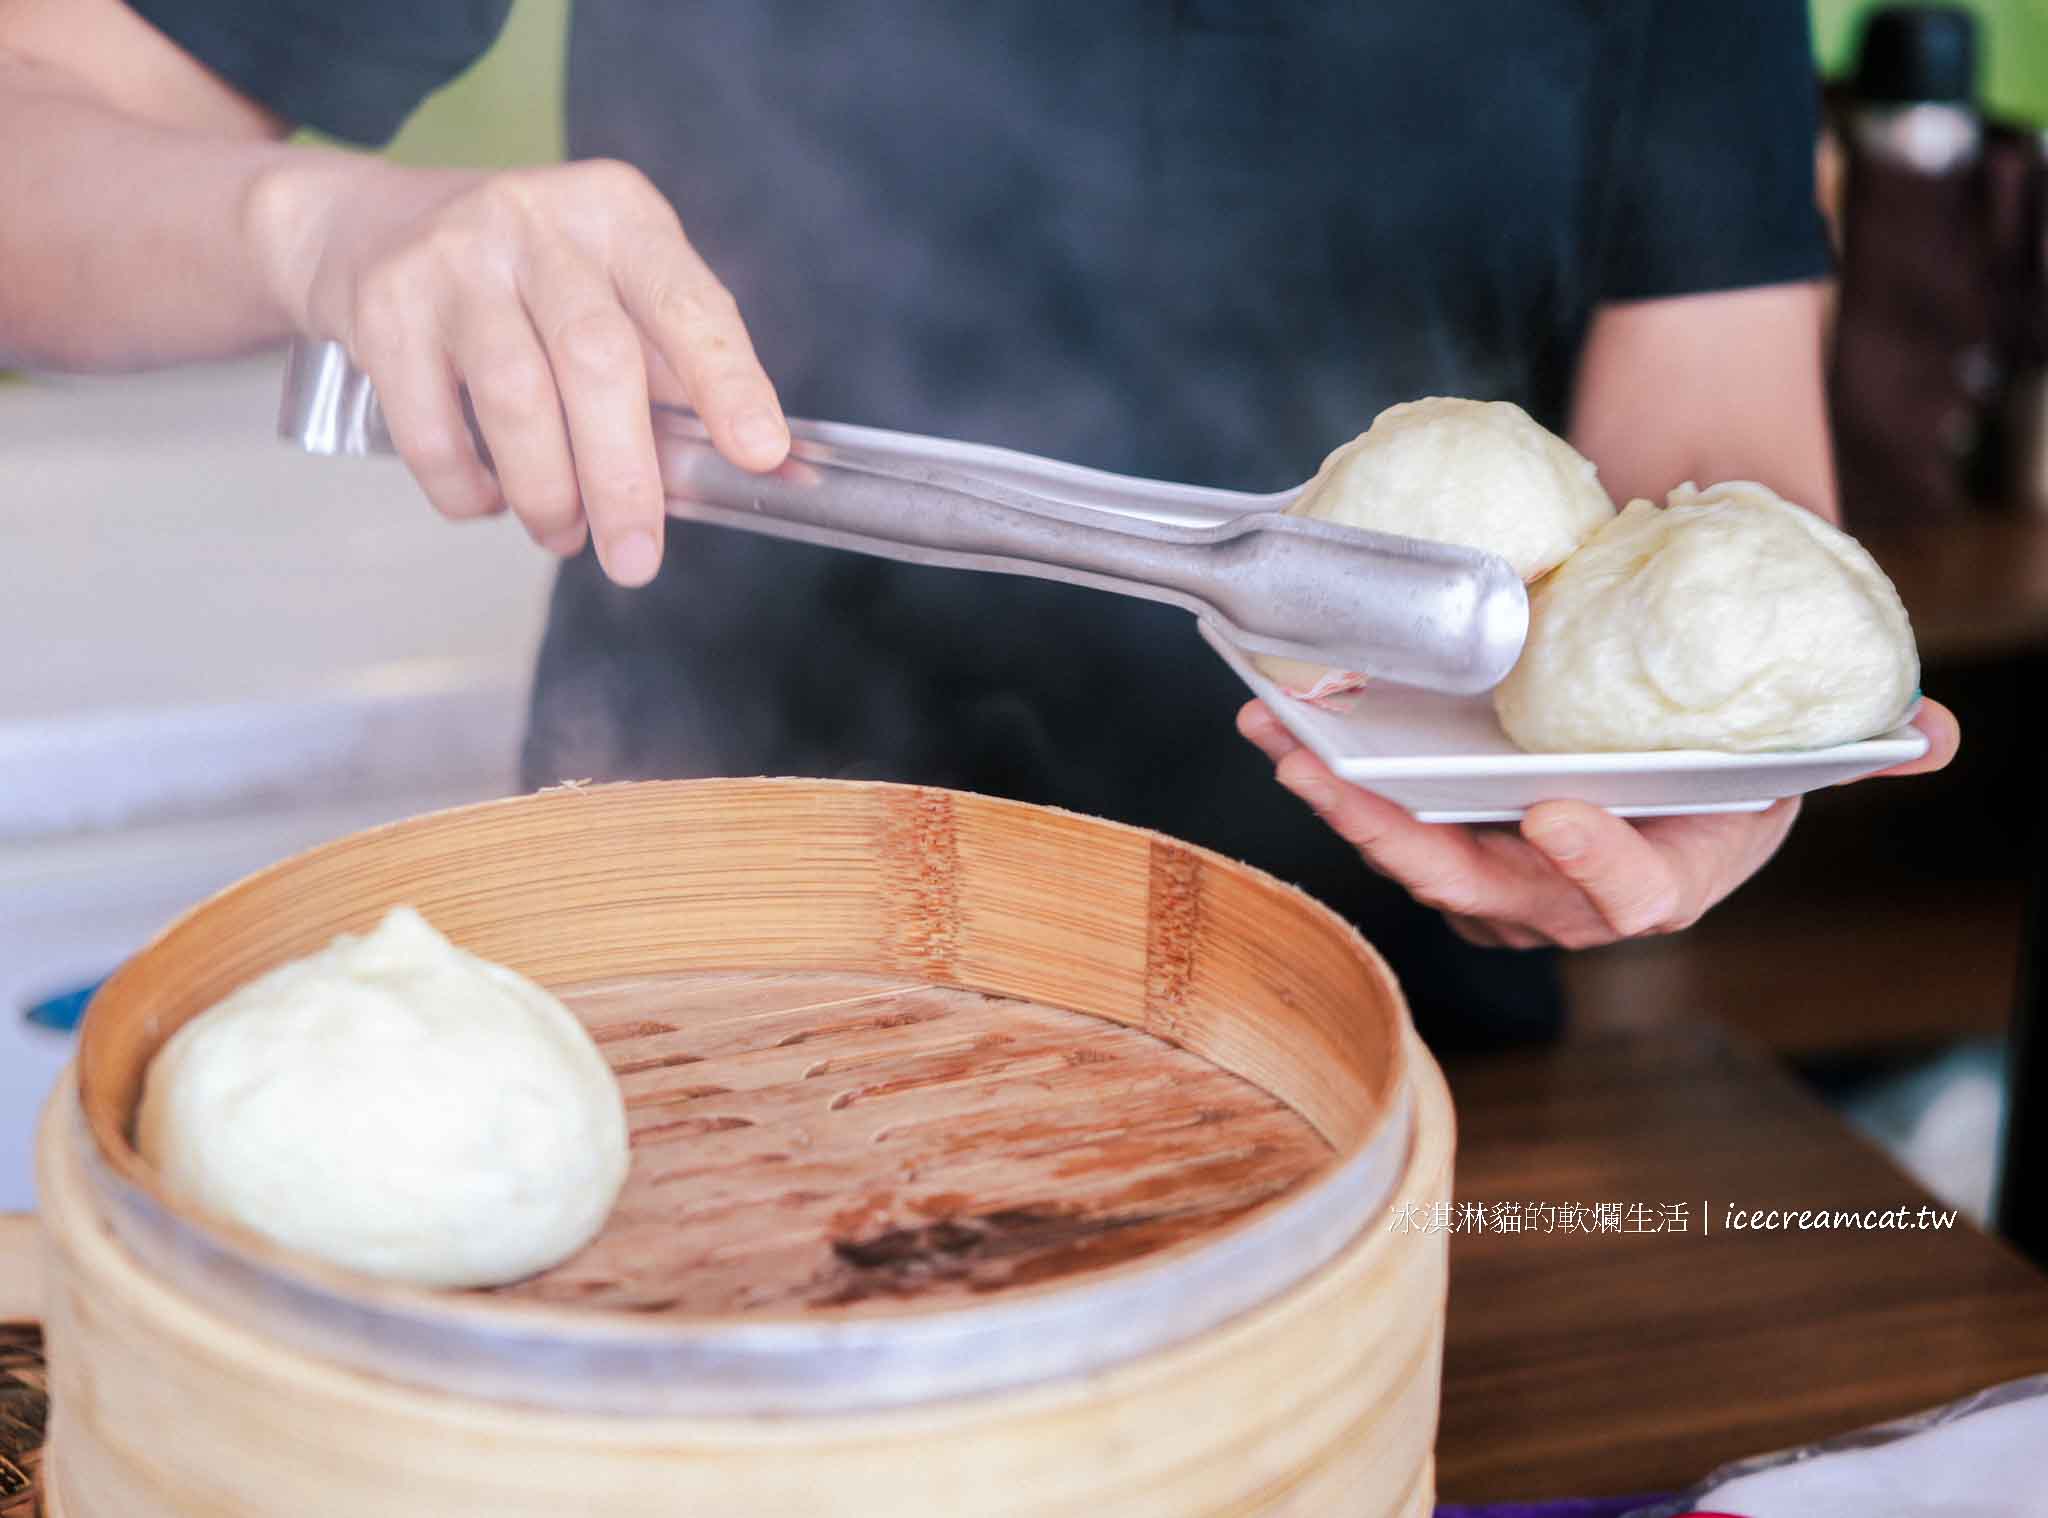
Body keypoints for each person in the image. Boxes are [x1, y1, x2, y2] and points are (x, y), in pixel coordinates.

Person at [0, 0, 1957, 1049]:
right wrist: (326, 226)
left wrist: (1704, 772)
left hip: (1358, 1048)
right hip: (691, 974)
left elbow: (1706, 475)